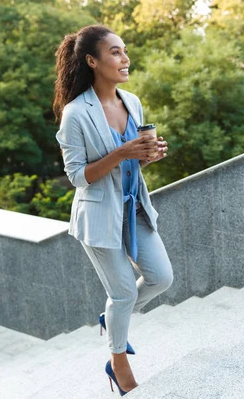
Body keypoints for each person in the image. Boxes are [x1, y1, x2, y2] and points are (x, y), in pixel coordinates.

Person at [53, 24, 174, 396]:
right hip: (99, 216)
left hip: (134, 208)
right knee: (122, 294)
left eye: (124, 50)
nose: (125, 58)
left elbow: (131, 166)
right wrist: (122, 152)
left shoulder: (132, 101)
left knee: (162, 277)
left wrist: (147, 156)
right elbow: (77, 177)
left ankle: (112, 317)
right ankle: (118, 362)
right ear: (92, 61)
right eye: (116, 53)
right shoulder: (76, 113)